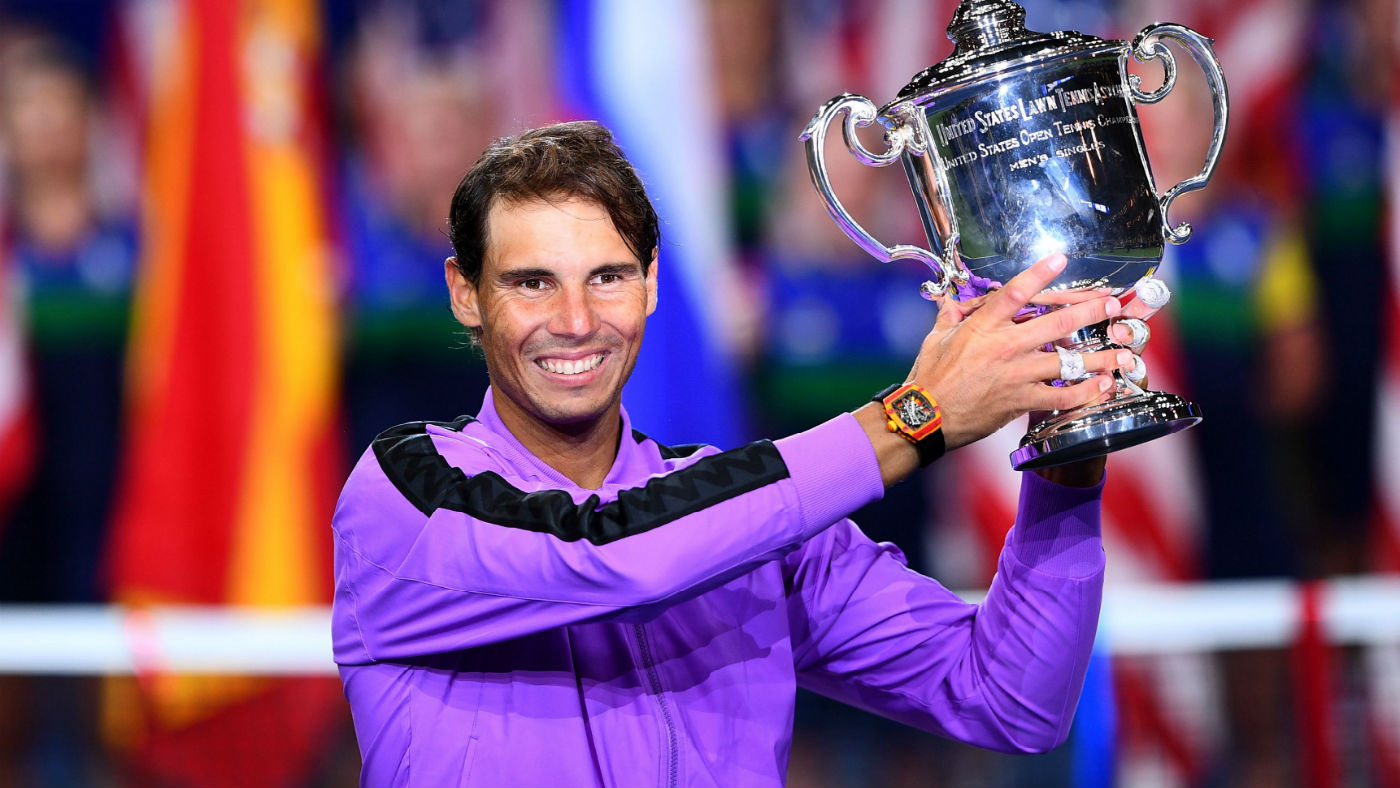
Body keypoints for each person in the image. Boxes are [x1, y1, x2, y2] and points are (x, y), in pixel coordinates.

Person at [332, 121, 1156, 787]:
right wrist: (915, 417)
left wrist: (1067, 451)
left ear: (653, 284)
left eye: (609, 277)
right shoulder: (402, 494)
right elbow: (609, 550)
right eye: (533, 283)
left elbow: (1011, 700)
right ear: (465, 293)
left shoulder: (751, 521)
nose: (576, 319)